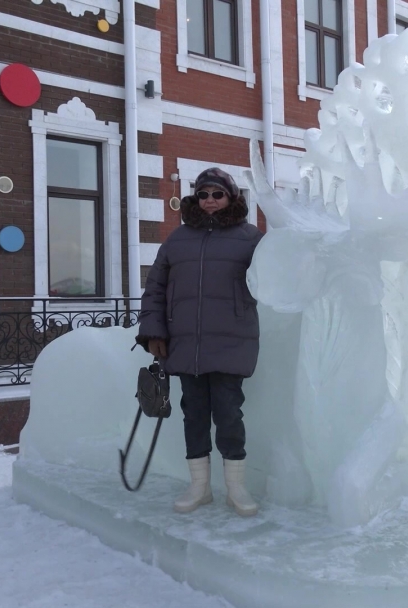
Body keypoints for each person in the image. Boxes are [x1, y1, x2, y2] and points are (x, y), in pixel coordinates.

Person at [136, 168, 264, 517]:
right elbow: (155, 289)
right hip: (186, 344)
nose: (210, 200)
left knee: (228, 414)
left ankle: (236, 487)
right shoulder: (177, 240)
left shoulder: (252, 238)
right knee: (193, 415)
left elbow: (275, 274)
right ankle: (200, 486)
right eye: (204, 194)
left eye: (217, 194)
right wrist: (153, 332)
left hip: (230, 341)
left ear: (231, 198)